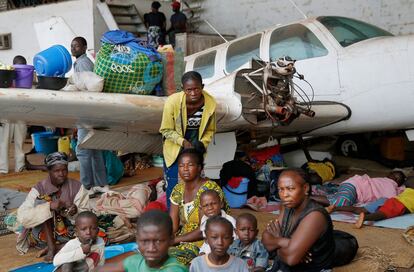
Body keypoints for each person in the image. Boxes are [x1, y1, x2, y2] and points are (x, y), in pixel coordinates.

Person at [16, 152, 89, 262]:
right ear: (49, 171)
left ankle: (58, 247)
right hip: (43, 234)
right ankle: (51, 247)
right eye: (56, 171)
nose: (61, 174)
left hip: (68, 232)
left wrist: (75, 212)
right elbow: (23, 217)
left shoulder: (77, 187)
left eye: (64, 170)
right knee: (41, 203)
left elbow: (86, 214)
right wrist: (48, 206)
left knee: (94, 235)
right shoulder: (39, 189)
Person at [160, 71, 217, 208]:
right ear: (183, 89)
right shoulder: (172, 102)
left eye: (196, 89)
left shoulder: (210, 103)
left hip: (196, 148)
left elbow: (210, 130)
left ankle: (192, 217)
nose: (193, 93)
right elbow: (166, 130)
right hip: (175, 148)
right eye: (189, 90)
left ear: (202, 86)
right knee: (174, 185)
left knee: (195, 183)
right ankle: (173, 220)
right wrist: (183, 142)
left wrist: (202, 143)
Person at [262, 169, 337, 271]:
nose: (284, 195)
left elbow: (290, 259)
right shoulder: (286, 206)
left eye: (290, 189)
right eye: (281, 189)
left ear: (305, 188)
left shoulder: (315, 216)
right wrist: (285, 242)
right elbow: (265, 240)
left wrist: (277, 244)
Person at [169, 148, 229, 265]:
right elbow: (173, 226)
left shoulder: (209, 190)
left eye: (190, 165)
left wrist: (175, 240)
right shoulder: (178, 189)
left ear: (200, 168)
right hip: (183, 238)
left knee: (168, 261)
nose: (185, 169)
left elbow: (205, 229)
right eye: (181, 165)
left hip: (205, 243)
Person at [71, 37, 109, 195]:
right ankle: (101, 184)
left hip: (86, 112)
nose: (73, 48)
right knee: (94, 150)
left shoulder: (83, 63)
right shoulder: (82, 61)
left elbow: (86, 87)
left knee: (83, 151)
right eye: (71, 46)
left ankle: (86, 186)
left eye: (76, 46)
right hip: (91, 111)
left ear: (85, 47)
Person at [97, 210, 188, 272]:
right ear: (137, 239)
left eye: (159, 241)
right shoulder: (136, 261)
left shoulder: (174, 269)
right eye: (145, 241)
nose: (151, 248)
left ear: (171, 240)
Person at [312, 170, 406, 208]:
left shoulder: (388, 183)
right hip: (355, 187)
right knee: (341, 204)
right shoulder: (390, 184)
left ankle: (313, 198)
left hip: (353, 186)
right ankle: (309, 198)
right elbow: (392, 199)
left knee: (337, 198)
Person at [0, 55, 28, 175]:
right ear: (13, 67)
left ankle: (19, 166)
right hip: (7, 115)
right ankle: (3, 168)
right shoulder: (5, 77)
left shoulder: (27, 79)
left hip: (20, 115)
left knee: (19, 141)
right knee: (4, 142)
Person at [199, 189, 236, 255]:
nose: (210, 208)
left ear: (221, 204)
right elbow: (206, 242)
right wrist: (202, 251)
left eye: (213, 203)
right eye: (205, 205)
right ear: (201, 208)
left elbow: (235, 244)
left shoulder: (230, 222)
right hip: (208, 255)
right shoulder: (204, 220)